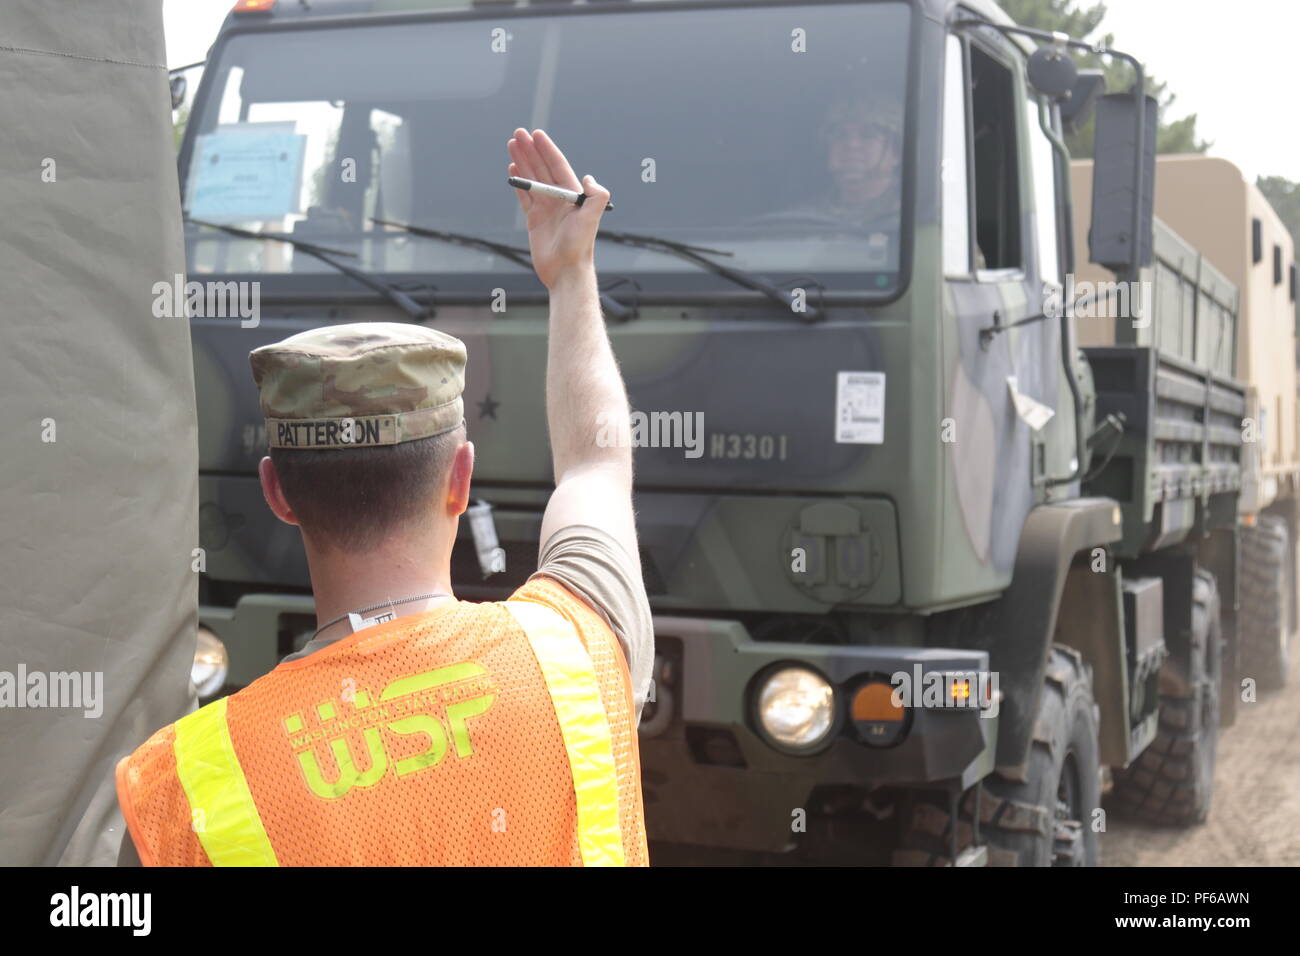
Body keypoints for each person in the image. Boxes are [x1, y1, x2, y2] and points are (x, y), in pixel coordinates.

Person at [115, 129, 653, 866]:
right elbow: (596, 464)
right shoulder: (581, 653)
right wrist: (570, 274)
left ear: (279, 493)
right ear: (459, 480)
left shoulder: (184, 791)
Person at [758, 91, 903, 235]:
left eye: (868, 135)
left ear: (895, 151)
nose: (851, 145)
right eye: (840, 135)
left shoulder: (911, 216)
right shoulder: (800, 220)